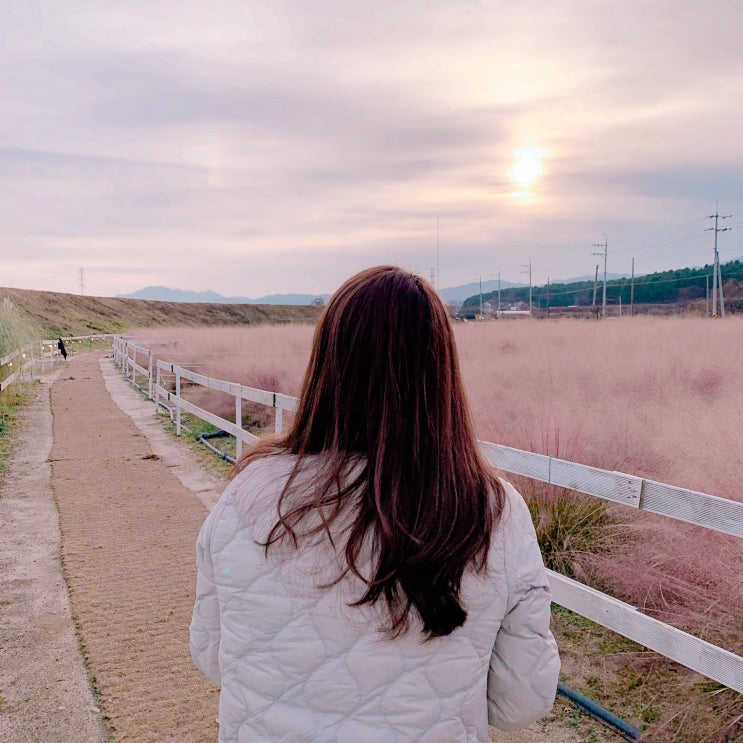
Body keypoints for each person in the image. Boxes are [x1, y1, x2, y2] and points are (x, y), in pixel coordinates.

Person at [190, 266, 559, 743]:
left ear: (326, 361)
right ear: (441, 369)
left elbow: (213, 654)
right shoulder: (490, 510)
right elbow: (519, 704)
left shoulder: (249, 494)